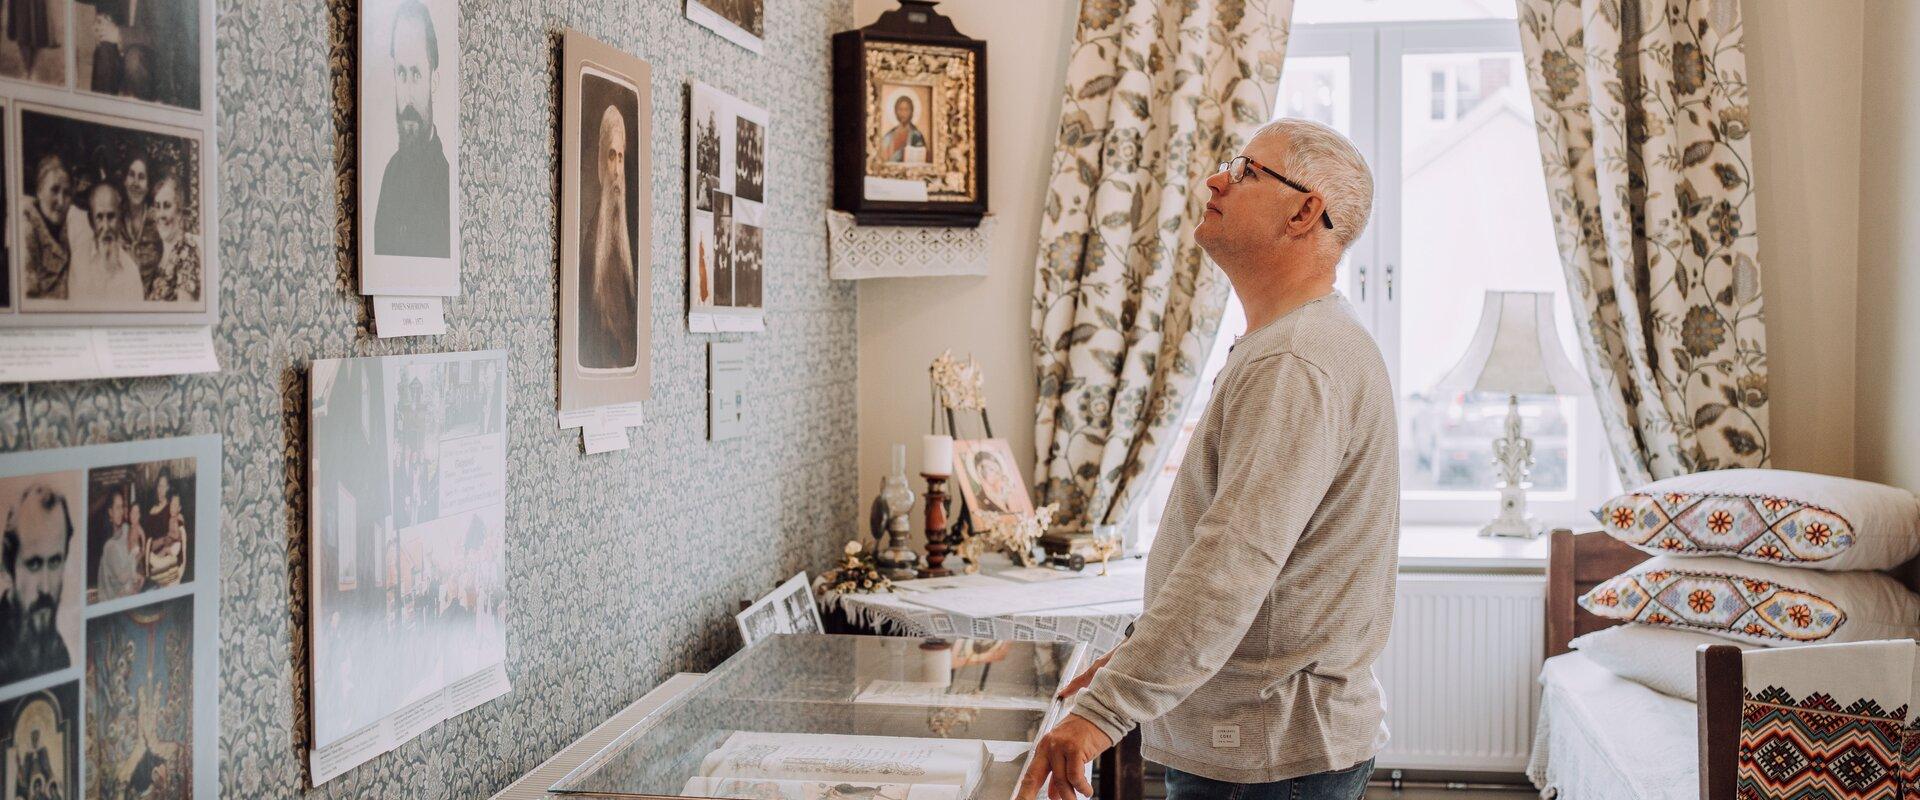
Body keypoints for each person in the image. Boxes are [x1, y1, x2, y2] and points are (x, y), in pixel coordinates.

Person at [1018, 119, 1396, 800]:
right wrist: (1128, 664)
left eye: (1247, 171)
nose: (1215, 181)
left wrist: (1101, 715)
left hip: (1265, 751)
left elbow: (1233, 565)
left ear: (1306, 210)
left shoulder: (1295, 360)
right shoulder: (1293, 343)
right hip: (1261, 742)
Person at [372, 0, 450, 258]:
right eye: (401, 73)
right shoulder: (390, 175)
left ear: (433, 80)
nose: (407, 96)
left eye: (416, 73)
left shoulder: (446, 179)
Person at [579, 104, 638, 370]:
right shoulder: (591, 243)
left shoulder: (629, 247)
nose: (616, 171)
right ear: (603, 162)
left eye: (621, 158)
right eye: (611, 157)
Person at [0, 482, 77, 685]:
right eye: (34, 564)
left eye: (55, 562)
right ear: (9, 564)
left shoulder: (60, 653)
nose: (45, 586)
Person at [68, 181, 144, 305]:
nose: (106, 226)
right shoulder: (78, 262)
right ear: (91, 222)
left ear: (120, 219)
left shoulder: (131, 272)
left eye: (111, 216)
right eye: (99, 217)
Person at [21, 154, 72, 300]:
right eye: (54, 190)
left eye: (67, 193)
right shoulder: (26, 230)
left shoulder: (69, 226)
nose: (61, 201)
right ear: (39, 191)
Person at [146, 174, 199, 301]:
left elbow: (185, 312)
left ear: (179, 211)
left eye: (167, 206)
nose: (161, 214)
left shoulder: (187, 252)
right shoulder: (158, 253)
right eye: (157, 206)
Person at [96, 486, 145, 600]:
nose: (121, 511)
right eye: (117, 508)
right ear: (110, 512)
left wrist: (139, 577)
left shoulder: (128, 529)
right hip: (117, 602)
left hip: (135, 593)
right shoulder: (109, 546)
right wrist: (138, 556)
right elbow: (122, 578)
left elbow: (137, 567)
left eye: (122, 507)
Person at [880, 94, 927, 164]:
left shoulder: (916, 135)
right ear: (896, 111)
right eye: (900, 109)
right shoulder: (889, 135)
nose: (903, 113)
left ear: (911, 111)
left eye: (906, 109)